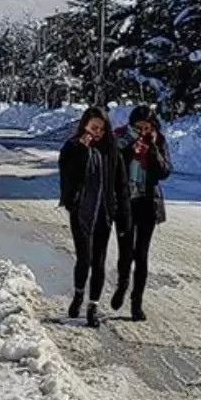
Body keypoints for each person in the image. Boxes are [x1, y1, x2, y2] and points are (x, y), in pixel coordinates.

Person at [58, 107, 130, 328]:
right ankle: (79, 294)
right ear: (84, 127)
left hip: (104, 212)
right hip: (81, 212)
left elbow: (121, 184)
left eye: (101, 128)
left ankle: (93, 306)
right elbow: (68, 175)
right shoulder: (72, 147)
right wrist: (82, 150)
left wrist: (124, 214)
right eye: (93, 128)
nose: (97, 133)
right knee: (84, 258)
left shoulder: (111, 150)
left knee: (99, 261)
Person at [112, 106, 172, 322]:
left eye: (147, 127)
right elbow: (113, 164)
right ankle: (122, 285)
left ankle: (137, 303)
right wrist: (130, 148)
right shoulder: (119, 138)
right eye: (139, 127)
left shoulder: (159, 141)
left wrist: (153, 148)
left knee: (142, 255)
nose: (143, 131)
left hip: (148, 202)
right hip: (125, 203)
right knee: (125, 252)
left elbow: (164, 171)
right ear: (131, 125)